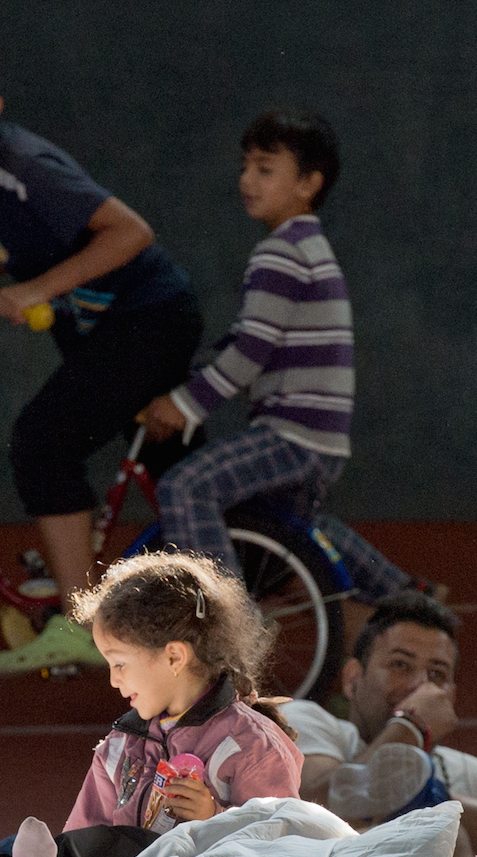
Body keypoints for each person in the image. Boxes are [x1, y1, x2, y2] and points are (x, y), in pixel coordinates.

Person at [0, 34, 206, 674]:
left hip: (146, 320)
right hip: (111, 330)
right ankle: (259, 571)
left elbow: (132, 232)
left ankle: (80, 624)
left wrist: (40, 290)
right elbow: (6, 241)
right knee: (179, 472)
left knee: (43, 443)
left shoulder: (23, 164)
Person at [0, 552, 304, 857]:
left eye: (120, 663)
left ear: (175, 657)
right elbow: (82, 836)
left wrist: (213, 818)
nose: (113, 680)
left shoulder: (249, 744)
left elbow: (281, 849)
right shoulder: (121, 745)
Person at [137, 109, 422, 605]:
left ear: (310, 183)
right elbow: (250, 343)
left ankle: (230, 625)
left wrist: (182, 405)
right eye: (246, 166)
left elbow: (249, 352)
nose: (247, 180)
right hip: (321, 439)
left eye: (265, 169)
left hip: (293, 435)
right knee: (297, 527)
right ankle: (408, 600)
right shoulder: (309, 247)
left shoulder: (281, 252)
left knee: (185, 489)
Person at [279, 592, 477, 857]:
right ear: (352, 679)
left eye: (437, 674)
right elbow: (316, 806)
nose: (420, 686)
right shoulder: (307, 720)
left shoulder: (474, 776)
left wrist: (437, 800)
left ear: (450, 696)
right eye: (400, 665)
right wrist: (412, 725)